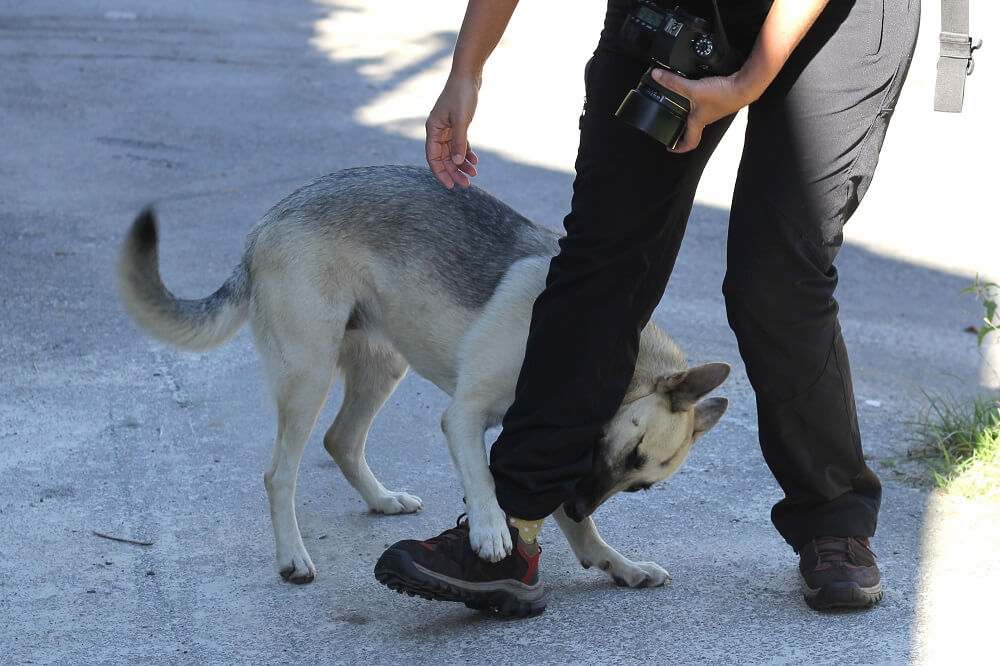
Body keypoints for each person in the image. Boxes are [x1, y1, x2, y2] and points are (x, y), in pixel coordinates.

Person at [374, 0, 920, 615]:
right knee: (604, 260)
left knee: (777, 276)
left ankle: (833, 523)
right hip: (681, 11)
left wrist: (745, 83)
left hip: (833, 22)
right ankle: (509, 532)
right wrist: (466, 69)